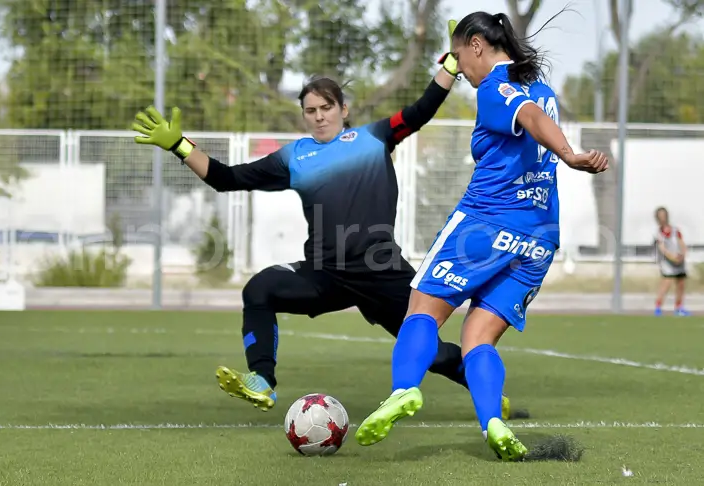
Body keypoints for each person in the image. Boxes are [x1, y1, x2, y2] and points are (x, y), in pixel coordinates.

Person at [129, 22, 526, 420]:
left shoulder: (373, 139)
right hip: (325, 273)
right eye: (311, 111)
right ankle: (262, 380)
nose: (319, 117)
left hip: (380, 270)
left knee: (433, 353)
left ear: (343, 110)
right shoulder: (294, 157)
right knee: (259, 290)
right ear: (304, 115)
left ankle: (490, 395)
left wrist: (452, 66)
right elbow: (226, 178)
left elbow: (420, 111)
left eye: (326, 108)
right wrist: (179, 145)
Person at [354, 11, 608, 462]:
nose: (461, 71)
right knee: (478, 339)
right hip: (538, 239)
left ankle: (403, 389)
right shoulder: (541, 87)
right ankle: (492, 420)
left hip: (486, 225)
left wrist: (569, 155)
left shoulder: (495, 87)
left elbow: (527, 116)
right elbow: (534, 111)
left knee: (422, 311)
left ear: (477, 45)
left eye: (459, 57)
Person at [654, 206, 690, 316]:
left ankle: (678, 307)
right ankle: (658, 307)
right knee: (666, 283)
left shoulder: (675, 230)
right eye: (660, 216)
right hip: (667, 262)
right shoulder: (659, 233)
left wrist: (682, 254)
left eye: (664, 216)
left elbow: (681, 243)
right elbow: (663, 249)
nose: (662, 218)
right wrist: (672, 258)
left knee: (680, 284)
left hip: (679, 260)